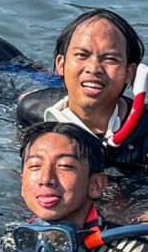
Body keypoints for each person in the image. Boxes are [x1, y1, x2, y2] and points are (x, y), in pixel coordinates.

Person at [6, 121, 148, 252]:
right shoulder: (14, 241)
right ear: (23, 184)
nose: (46, 179)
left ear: (95, 184)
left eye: (65, 166)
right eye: (35, 166)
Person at [16, 9, 148, 168]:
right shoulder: (33, 111)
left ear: (130, 73)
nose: (93, 68)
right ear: (61, 65)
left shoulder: (144, 134)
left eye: (110, 59)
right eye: (82, 55)